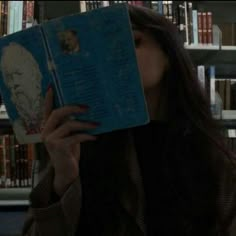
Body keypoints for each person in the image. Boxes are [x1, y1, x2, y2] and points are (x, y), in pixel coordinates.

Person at [23, 5, 236, 236]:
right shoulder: (80, 147)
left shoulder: (211, 157)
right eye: (106, 47)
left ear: (169, 56)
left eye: (134, 41)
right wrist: (63, 182)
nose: (117, 53)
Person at [1, 42, 44, 143]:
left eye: (19, 74)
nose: (15, 83)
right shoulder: (18, 127)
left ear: (35, 75)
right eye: (10, 78)